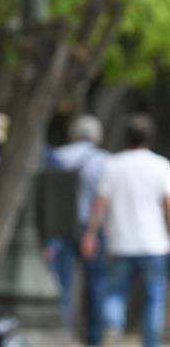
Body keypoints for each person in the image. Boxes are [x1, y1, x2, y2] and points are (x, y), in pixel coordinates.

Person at [81, 115, 170, 347]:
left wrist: (90, 233)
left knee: (115, 292)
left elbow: (100, 204)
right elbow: (168, 206)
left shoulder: (113, 165)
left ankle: (113, 327)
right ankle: (151, 342)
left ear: (126, 137)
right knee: (155, 296)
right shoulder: (161, 165)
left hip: (120, 242)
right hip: (154, 243)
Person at [46, 115, 110, 344]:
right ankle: (94, 338)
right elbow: (103, 200)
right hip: (92, 228)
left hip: (60, 228)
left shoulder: (57, 156)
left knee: (62, 285)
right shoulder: (105, 160)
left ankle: (62, 334)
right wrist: (94, 232)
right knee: (96, 286)